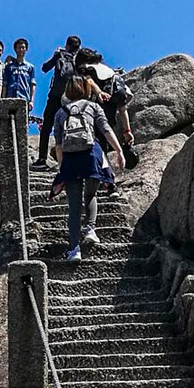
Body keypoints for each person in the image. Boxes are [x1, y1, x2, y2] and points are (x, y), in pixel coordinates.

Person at [51, 75, 124, 261]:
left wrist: (62, 168)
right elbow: (106, 130)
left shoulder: (60, 113)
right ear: (86, 89)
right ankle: (90, 229)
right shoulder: (93, 107)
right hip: (91, 154)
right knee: (91, 195)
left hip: (70, 159)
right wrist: (119, 151)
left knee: (74, 206)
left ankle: (75, 249)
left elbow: (58, 144)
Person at [75, 48, 139, 167]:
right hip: (112, 107)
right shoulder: (110, 71)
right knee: (104, 139)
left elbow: (89, 80)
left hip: (99, 106)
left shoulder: (85, 67)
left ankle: (96, 172)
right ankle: (104, 174)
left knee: (95, 141)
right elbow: (122, 106)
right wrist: (127, 131)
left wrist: (99, 92)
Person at [35, 35, 81, 169]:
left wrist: (56, 54)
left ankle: (42, 159)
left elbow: (44, 68)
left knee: (47, 126)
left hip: (55, 95)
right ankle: (70, 159)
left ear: (66, 45)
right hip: (71, 97)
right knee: (69, 127)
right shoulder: (79, 59)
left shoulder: (59, 54)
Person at [2, 38, 36, 112]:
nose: (21, 50)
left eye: (23, 48)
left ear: (26, 49)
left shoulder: (30, 67)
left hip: (24, 98)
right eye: (19, 48)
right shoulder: (9, 67)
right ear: (15, 49)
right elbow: (5, 84)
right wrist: (3, 99)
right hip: (10, 98)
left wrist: (31, 101)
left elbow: (32, 85)